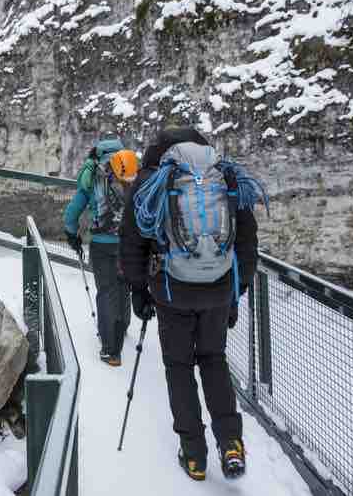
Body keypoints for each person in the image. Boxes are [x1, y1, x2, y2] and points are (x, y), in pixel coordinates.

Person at [119, 127, 262, 481]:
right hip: (218, 290)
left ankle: (194, 455)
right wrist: (235, 292)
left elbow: (132, 241)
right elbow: (246, 242)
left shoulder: (152, 181)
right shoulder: (226, 177)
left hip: (172, 292)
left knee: (179, 367)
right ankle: (231, 442)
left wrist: (138, 290)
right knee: (214, 360)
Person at [63, 139, 140, 366]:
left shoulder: (92, 173)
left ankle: (110, 350)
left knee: (106, 291)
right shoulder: (130, 167)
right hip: (127, 243)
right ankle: (122, 328)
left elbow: (72, 212)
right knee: (123, 286)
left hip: (101, 244)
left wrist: (72, 234)